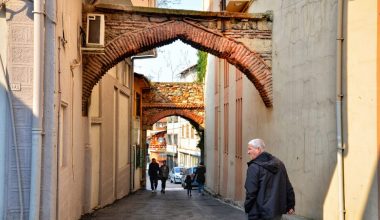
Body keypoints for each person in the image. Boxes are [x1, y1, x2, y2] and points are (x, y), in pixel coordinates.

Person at [244, 139, 295, 220]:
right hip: (276, 213)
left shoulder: (254, 167)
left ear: (258, 149)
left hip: (258, 213)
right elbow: (288, 187)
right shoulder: (280, 164)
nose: (248, 152)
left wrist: (247, 207)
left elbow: (251, 192)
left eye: (250, 149)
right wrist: (290, 205)